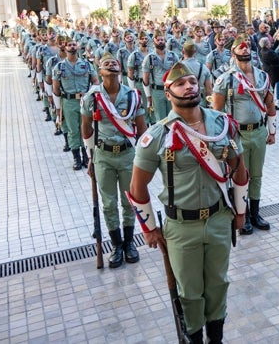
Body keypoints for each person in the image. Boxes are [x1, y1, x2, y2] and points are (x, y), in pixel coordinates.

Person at [129, 62, 248, 344]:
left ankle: (215, 339)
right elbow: (137, 187)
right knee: (190, 293)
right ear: (167, 93)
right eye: (180, 84)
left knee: (219, 284)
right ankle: (195, 338)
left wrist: (240, 211)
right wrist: (149, 229)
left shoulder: (222, 124)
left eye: (193, 81)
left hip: (219, 219)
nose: (189, 87)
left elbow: (239, 169)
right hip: (181, 227)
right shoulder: (156, 136)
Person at [81, 53, 147, 268]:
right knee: (109, 203)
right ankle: (116, 245)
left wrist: (144, 157)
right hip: (103, 156)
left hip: (128, 154)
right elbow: (86, 128)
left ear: (119, 70)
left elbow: (142, 129)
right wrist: (91, 157)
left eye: (114, 63)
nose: (111, 64)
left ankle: (129, 243)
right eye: (106, 63)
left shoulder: (133, 95)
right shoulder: (92, 97)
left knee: (129, 200)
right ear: (99, 71)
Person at [212, 35, 276, 235]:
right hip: (237, 135)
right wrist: (222, 140)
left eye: (247, 47)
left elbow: (270, 103)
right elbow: (217, 112)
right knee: (241, 177)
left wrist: (272, 130)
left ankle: (255, 213)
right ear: (233, 54)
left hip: (258, 131)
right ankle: (243, 214)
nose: (245, 50)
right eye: (240, 48)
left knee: (257, 175)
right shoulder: (226, 78)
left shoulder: (262, 76)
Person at [52, 39, 100, 170]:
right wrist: (57, 107)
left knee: (86, 128)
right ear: (65, 48)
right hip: (69, 102)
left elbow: (96, 82)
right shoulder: (59, 67)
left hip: (85, 101)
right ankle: (76, 157)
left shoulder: (87, 65)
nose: (72, 47)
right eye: (69, 45)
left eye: (74, 44)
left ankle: (86, 156)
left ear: (78, 47)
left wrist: (88, 93)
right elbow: (55, 88)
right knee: (73, 130)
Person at [141, 31, 179, 121]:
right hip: (157, 91)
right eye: (158, 40)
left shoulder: (173, 56)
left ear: (165, 41)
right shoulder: (149, 58)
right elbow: (145, 79)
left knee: (173, 117)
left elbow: (178, 74)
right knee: (161, 119)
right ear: (154, 41)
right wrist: (148, 97)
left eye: (162, 39)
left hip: (171, 90)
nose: (160, 41)